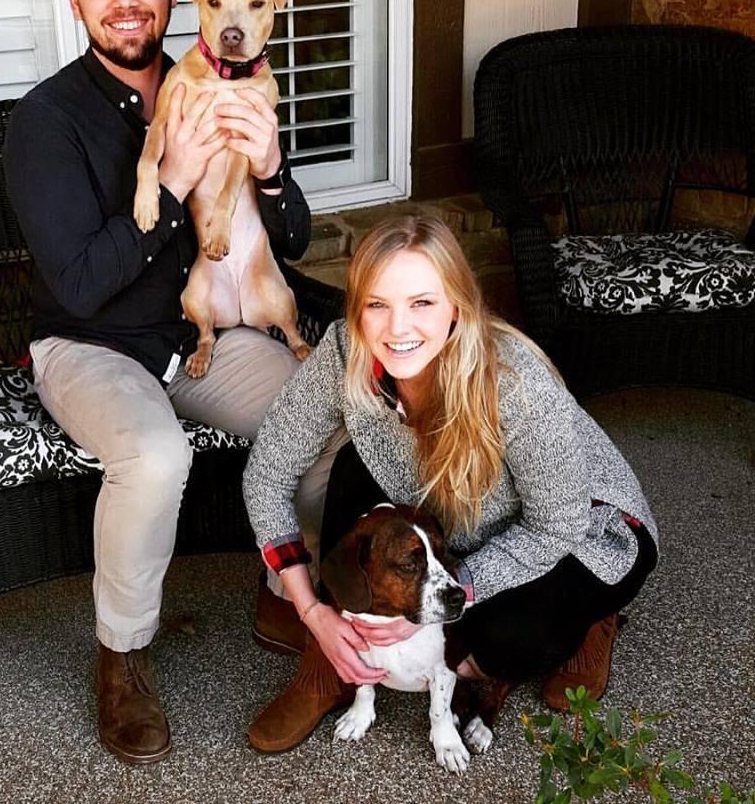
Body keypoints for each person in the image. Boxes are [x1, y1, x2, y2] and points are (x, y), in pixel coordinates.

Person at [2, 0, 340, 764]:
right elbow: (77, 281)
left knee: (326, 421)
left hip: (202, 330)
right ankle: (120, 654)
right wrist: (172, 178)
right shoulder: (45, 122)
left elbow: (291, 239)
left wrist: (268, 170)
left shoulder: (222, 80)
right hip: (91, 344)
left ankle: (285, 581)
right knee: (155, 455)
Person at [242, 214, 659, 753]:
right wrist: (313, 611)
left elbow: (558, 526)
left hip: (582, 533)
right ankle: (328, 665)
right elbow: (267, 472)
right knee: (353, 469)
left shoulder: (515, 386)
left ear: (456, 306)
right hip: (443, 520)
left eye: (422, 303)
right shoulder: (348, 351)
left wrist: (451, 594)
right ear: (356, 309)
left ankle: (593, 622)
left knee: (499, 643)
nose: (397, 329)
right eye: (377, 304)